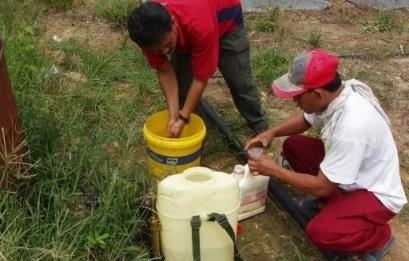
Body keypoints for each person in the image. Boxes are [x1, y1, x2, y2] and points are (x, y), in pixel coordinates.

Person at [245, 48, 407, 260]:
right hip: (352, 174)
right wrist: (271, 133)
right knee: (295, 146)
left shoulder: (352, 126)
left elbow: (322, 185)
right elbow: (305, 119)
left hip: (374, 193)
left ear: (318, 94)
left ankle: (379, 238)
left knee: (321, 232)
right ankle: (333, 204)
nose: (295, 101)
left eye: (298, 96)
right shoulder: (339, 94)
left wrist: (274, 170)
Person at [127, 0, 267, 138]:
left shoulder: (199, 25)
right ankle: (196, 133)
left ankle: (261, 127)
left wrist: (183, 118)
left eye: (167, 44)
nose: (164, 52)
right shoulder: (146, 33)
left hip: (226, 22)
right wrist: (174, 115)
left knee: (240, 83)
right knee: (183, 89)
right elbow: (164, 70)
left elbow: (200, 79)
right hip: (190, 28)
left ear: (173, 22)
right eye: (157, 50)